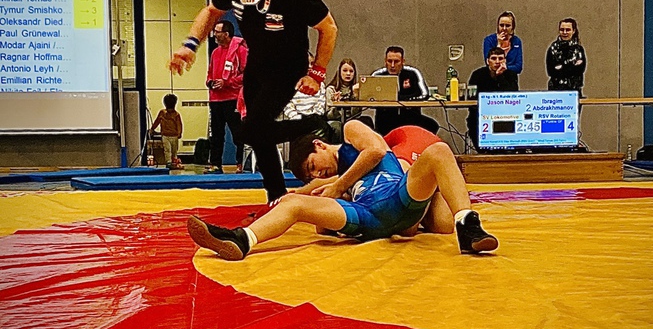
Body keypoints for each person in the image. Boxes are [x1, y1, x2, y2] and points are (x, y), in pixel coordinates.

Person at [168, 0, 338, 202]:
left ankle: (312, 123)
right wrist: (189, 45)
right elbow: (211, 12)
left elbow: (328, 28)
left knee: (251, 130)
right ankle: (276, 195)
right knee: (259, 134)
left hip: (288, 67)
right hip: (256, 65)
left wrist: (316, 74)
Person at [186, 119, 498, 260]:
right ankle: (243, 240)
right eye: (311, 173)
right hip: (367, 218)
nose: (317, 173)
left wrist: (337, 187)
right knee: (294, 205)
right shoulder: (337, 181)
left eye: (313, 164)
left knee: (439, 152)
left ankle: (468, 227)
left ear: (320, 144)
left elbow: (376, 151)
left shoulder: (352, 133)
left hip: (397, 197)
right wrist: (323, 209)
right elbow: (320, 213)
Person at [206, 20, 247, 173]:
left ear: (226, 34)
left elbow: (247, 75)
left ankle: (241, 163)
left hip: (233, 98)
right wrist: (210, 82)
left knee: (238, 133)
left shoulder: (241, 51)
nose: (214, 34)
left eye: (217, 32)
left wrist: (227, 82)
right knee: (216, 134)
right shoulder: (215, 52)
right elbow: (210, 73)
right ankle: (215, 164)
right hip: (215, 99)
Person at [371, 46, 439, 136]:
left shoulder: (413, 73)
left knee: (432, 125)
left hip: (410, 118)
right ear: (385, 61)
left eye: (396, 61)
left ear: (403, 61)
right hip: (385, 120)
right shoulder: (377, 75)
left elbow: (425, 94)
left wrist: (399, 99)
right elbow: (369, 97)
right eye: (389, 61)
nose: (392, 65)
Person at [467, 46, 519, 150]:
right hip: (481, 114)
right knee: (473, 121)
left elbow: (512, 96)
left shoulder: (511, 75)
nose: (497, 62)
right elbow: (471, 97)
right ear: (488, 61)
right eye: (494, 58)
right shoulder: (478, 74)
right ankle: (483, 151)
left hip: (505, 114)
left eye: (501, 58)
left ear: (505, 61)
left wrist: (500, 76)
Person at [546, 17, 587, 96]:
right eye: (562, 30)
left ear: (573, 31)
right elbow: (551, 71)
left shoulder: (578, 50)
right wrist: (572, 64)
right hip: (556, 90)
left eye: (568, 30)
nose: (564, 32)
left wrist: (561, 67)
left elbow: (580, 70)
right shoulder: (552, 48)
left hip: (574, 90)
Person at [483, 11, 523, 87]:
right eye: (501, 25)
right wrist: (499, 44)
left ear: (512, 27)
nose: (504, 28)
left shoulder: (516, 41)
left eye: (507, 26)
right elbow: (489, 63)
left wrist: (505, 67)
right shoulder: (489, 40)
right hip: (492, 79)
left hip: (510, 80)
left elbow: (518, 67)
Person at [150, 93, 183, 168]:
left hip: (172, 135)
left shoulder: (175, 115)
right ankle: (169, 162)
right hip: (167, 135)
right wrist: (152, 128)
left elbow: (179, 124)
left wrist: (152, 128)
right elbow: (157, 121)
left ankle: (173, 161)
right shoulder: (165, 113)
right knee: (167, 149)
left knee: (173, 150)